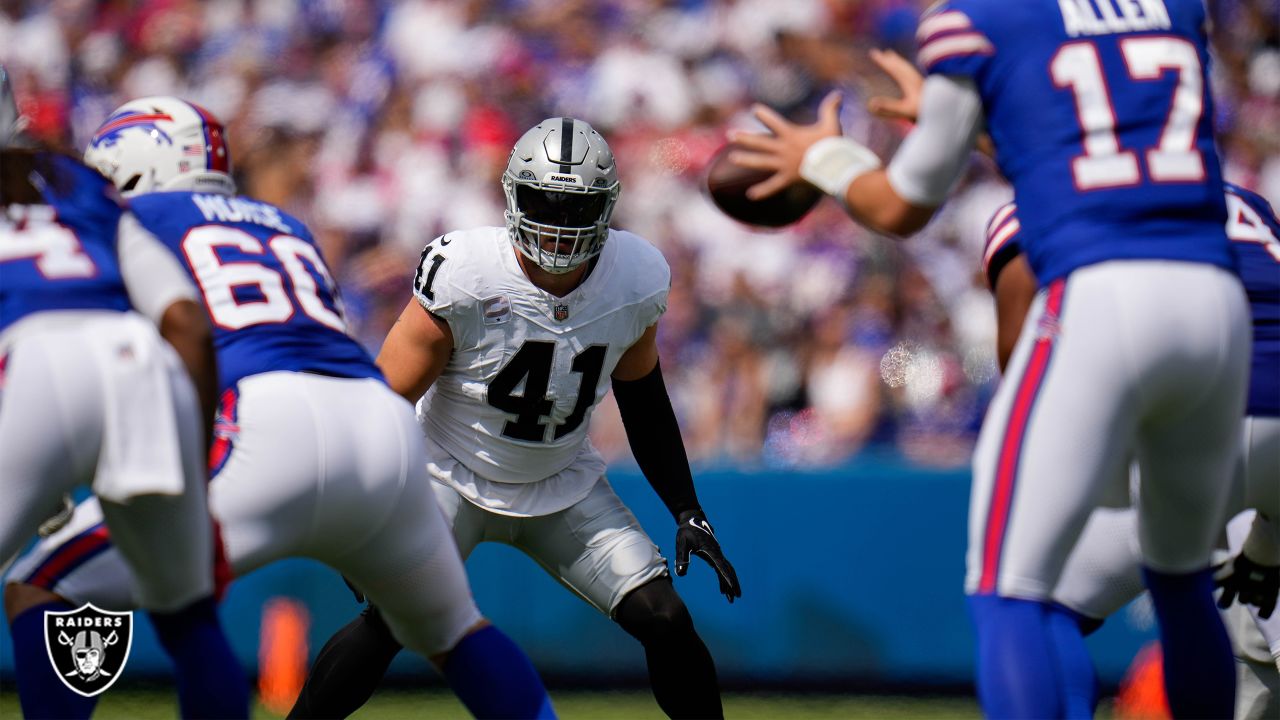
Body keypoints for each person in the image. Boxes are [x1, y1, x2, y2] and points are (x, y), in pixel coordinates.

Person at [729, 2, 1250, 716]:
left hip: (1098, 297)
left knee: (1009, 591)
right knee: (1183, 579)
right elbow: (1092, 150)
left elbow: (901, 206)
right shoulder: (1172, 7)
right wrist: (981, 119)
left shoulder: (978, 21)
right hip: (1216, 303)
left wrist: (822, 157)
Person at [3, 97, 556, 720]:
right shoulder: (280, 223)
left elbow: (109, 352)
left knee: (44, 585)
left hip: (263, 424)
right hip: (380, 424)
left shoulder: (130, 217)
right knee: (456, 631)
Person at [870, 46, 1280, 717]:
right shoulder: (1243, 203)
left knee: (1038, 601)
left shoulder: (1039, 204)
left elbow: (1028, 371)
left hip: (1199, 424)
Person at [288, 117, 741, 720]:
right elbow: (384, 400)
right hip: (447, 471)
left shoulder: (633, 278)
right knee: (394, 619)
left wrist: (687, 508)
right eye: (542, 202)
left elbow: (643, 396)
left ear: (607, 208)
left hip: (562, 481)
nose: (556, 224)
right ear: (511, 199)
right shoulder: (468, 273)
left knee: (666, 617)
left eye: (574, 207)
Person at [0, 77, 249, 718]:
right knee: (189, 618)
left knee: (39, 579)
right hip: (138, 367)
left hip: (28, 364)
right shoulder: (78, 182)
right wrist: (194, 471)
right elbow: (185, 323)